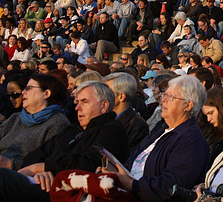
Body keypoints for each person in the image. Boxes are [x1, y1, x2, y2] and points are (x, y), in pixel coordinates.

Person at [0, 81, 130, 200]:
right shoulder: (73, 130)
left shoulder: (113, 130)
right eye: (77, 102)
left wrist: (42, 167)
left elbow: (89, 163)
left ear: (104, 106)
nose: (77, 108)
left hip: (69, 193)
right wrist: (42, 172)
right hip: (44, 183)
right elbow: (35, 154)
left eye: (84, 102)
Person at [104, 75, 209, 201]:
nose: (163, 99)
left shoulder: (192, 140)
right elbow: (130, 163)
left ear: (188, 106)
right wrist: (114, 171)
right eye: (165, 94)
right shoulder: (160, 132)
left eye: (170, 97)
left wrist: (131, 184)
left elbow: (172, 186)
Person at [0, 74, 70, 170]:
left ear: (46, 94)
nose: (23, 92)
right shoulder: (15, 118)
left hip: (22, 177)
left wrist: (10, 164)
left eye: (29, 88)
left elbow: (50, 165)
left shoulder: (58, 123)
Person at [102, 72, 149, 151]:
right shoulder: (103, 118)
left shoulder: (137, 125)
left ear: (121, 97)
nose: (103, 96)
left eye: (107, 92)